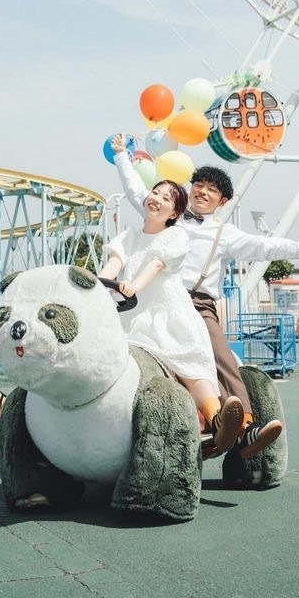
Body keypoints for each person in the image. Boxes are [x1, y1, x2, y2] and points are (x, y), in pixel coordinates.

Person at [110, 134, 299, 460]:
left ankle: (243, 426)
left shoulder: (223, 233)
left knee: (217, 353)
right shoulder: (168, 211)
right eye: (199, 185)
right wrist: (122, 155)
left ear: (222, 201)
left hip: (196, 301)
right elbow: (135, 189)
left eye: (212, 190)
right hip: (152, 296)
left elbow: (268, 246)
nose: (203, 192)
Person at [98, 175, 245, 454]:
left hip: (166, 312)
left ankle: (217, 419)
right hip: (130, 314)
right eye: (155, 192)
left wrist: (133, 287)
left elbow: (156, 264)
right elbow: (113, 264)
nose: (157, 199)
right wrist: (94, 285)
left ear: (174, 212)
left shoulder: (176, 235)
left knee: (189, 361)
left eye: (167, 198)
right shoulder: (128, 235)